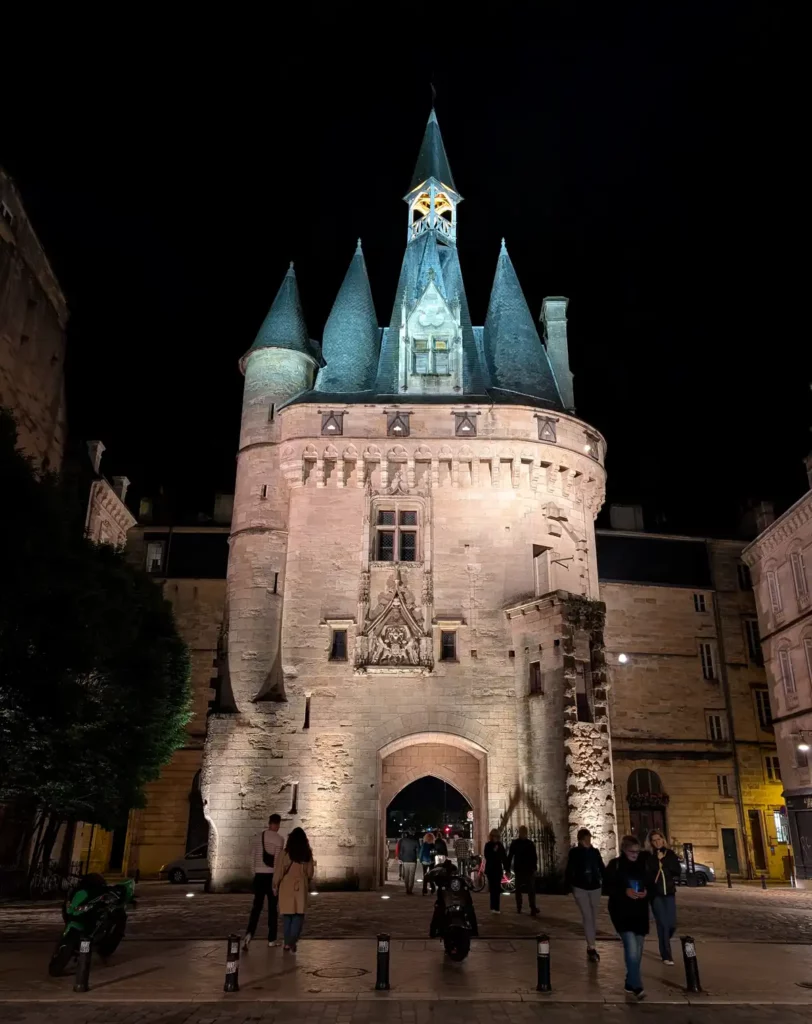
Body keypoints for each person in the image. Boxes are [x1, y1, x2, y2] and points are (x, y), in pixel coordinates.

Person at [604, 835, 651, 1000]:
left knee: (637, 952)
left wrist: (646, 892)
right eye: (632, 851)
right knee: (631, 950)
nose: (635, 854)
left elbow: (650, 884)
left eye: (637, 851)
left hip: (640, 913)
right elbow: (607, 887)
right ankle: (638, 986)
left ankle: (629, 982)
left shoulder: (642, 865)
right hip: (622, 913)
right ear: (624, 850)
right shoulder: (615, 865)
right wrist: (624, 891)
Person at [244, 813, 284, 950]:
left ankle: (249, 934)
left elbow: (252, 858)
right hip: (271, 876)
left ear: (269, 823)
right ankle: (271, 939)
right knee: (272, 909)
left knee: (256, 907)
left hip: (259, 876)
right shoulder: (279, 839)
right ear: (278, 824)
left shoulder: (257, 838)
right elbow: (277, 862)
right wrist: (276, 882)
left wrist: (254, 872)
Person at [566, 828, 605, 962]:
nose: (588, 841)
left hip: (594, 886)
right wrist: (569, 885)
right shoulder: (575, 853)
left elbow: (601, 867)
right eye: (586, 839)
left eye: (589, 839)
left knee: (593, 916)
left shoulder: (595, 852)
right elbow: (570, 869)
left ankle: (590, 945)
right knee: (587, 916)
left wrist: (606, 881)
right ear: (580, 840)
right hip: (580, 887)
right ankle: (592, 946)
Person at [273, 826, 315, 952]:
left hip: (286, 886)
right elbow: (310, 872)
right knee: (298, 915)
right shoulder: (307, 854)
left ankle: (287, 943)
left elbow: (279, 871)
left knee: (287, 916)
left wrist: (275, 885)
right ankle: (292, 940)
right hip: (300, 886)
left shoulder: (285, 854)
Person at [648, 829, 681, 965]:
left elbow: (676, 871)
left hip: (669, 893)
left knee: (672, 923)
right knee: (662, 924)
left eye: (659, 839)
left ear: (663, 840)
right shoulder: (649, 857)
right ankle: (666, 955)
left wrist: (664, 861)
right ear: (651, 843)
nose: (657, 842)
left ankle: (664, 941)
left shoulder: (670, 854)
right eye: (654, 840)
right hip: (656, 894)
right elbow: (648, 874)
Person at [506, 825, 539, 916]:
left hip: (528, 869)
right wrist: (507, 868)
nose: (524, 835)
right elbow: (510, 856)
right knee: (520, 890)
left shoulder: (528, 844)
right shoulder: (518, 843)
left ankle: (531, 907)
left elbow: (534, 857)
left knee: (530, 890)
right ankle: (520, 906)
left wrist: (534, 868)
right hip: (520, 869)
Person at [483, 829, 508, 913]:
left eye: (496, 836)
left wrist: (506, 868)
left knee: (497, 889)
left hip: (497, 869)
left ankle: (496, 907)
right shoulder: (488, 845)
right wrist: (494, 851)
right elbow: (487, 856)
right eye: (493, 836)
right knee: (492, 888)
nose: (495, 838)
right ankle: (492, 907)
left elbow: (504, 857)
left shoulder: (500, 845)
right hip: (490, 869)